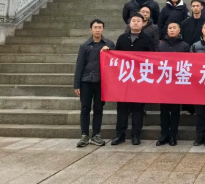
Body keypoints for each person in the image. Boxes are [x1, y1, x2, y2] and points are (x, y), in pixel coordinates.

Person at [109, 13, 157, 146]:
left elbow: (153, 58)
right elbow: (115, 57)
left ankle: (136, 135)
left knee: (137, 109)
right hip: (124, 79)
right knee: (122, 108)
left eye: (138, 21)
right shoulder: (122, 38)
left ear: (143, 23)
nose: (136, 23)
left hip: (140, 80)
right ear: (129, 23)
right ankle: (120, 135)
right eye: (133, 20)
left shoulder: (147, 39)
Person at [74, 19, 114, 147]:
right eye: (95, 27)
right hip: (86, 81)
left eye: (100, 27)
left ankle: (96, 135)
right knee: (85, 108)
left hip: (101, 82)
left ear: (103, 29)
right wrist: (77, 84)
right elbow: (79, 65)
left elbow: (115, 61)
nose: (97, 30)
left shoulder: (109, 44)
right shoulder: (84, 46)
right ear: (91, 30)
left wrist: (110, 51)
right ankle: (84, 135)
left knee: (98, 109)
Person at [156, 23, 190, 146]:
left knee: (175, 111)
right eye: (169, 28)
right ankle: (164, 134)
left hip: (177, 83)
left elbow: (188, 64)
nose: (172, 30)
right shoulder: (161, 46)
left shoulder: (184, 46)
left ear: (179, 30)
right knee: (164, 111)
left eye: (174, 28)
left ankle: (172, 135)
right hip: (164, 83)